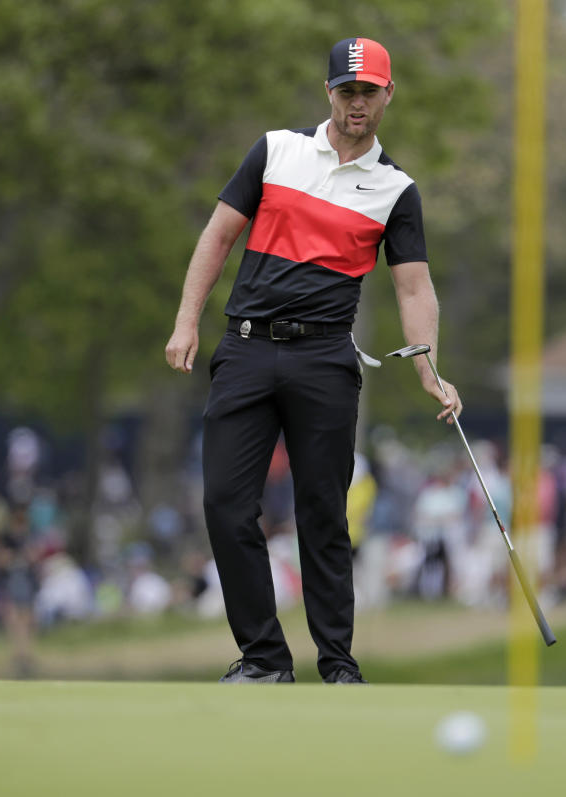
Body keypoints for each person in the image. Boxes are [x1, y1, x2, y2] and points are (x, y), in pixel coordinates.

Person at [164, 37, 461, 684]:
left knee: (323, 512)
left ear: (388, 95)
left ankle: (337, 662)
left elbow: (412, 286)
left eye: (369, 92)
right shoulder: (275, 150)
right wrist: (187, 319)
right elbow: (217, 236)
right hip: (245, 347)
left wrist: (427, 369)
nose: (357, 104)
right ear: (330, 92)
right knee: (225, 503)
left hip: (324, 357)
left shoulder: (395, 189)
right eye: (346, 91)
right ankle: (264, 658)